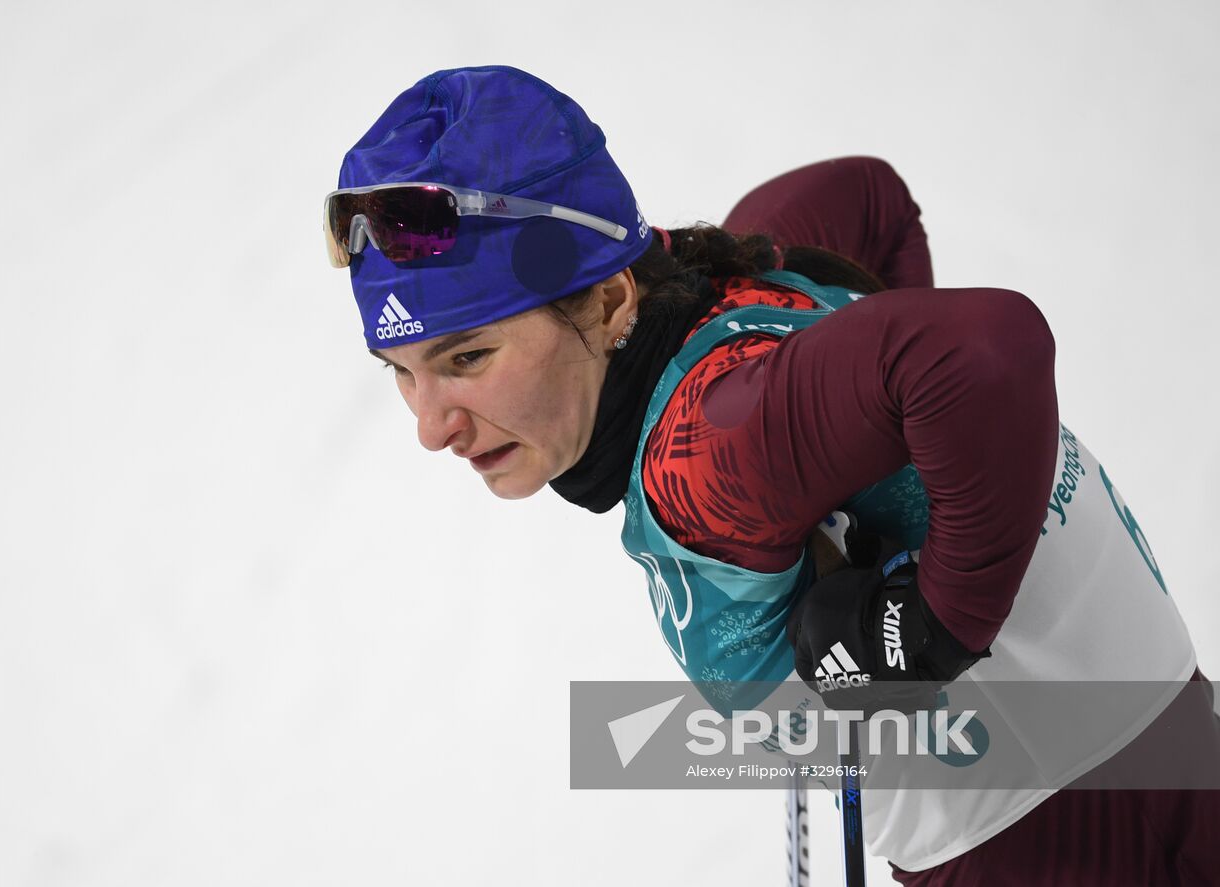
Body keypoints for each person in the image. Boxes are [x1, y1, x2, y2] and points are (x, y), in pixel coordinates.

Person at [325, 64, 1220, 885]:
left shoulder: (711, 449)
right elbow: (867, 197)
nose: (430, 425)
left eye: (468, 357)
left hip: (1059, 843)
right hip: (1176, 747)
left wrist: (931, 628)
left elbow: (987, 353)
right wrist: (882, 469)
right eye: (401, 371)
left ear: (607, 298)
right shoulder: (749, 270)